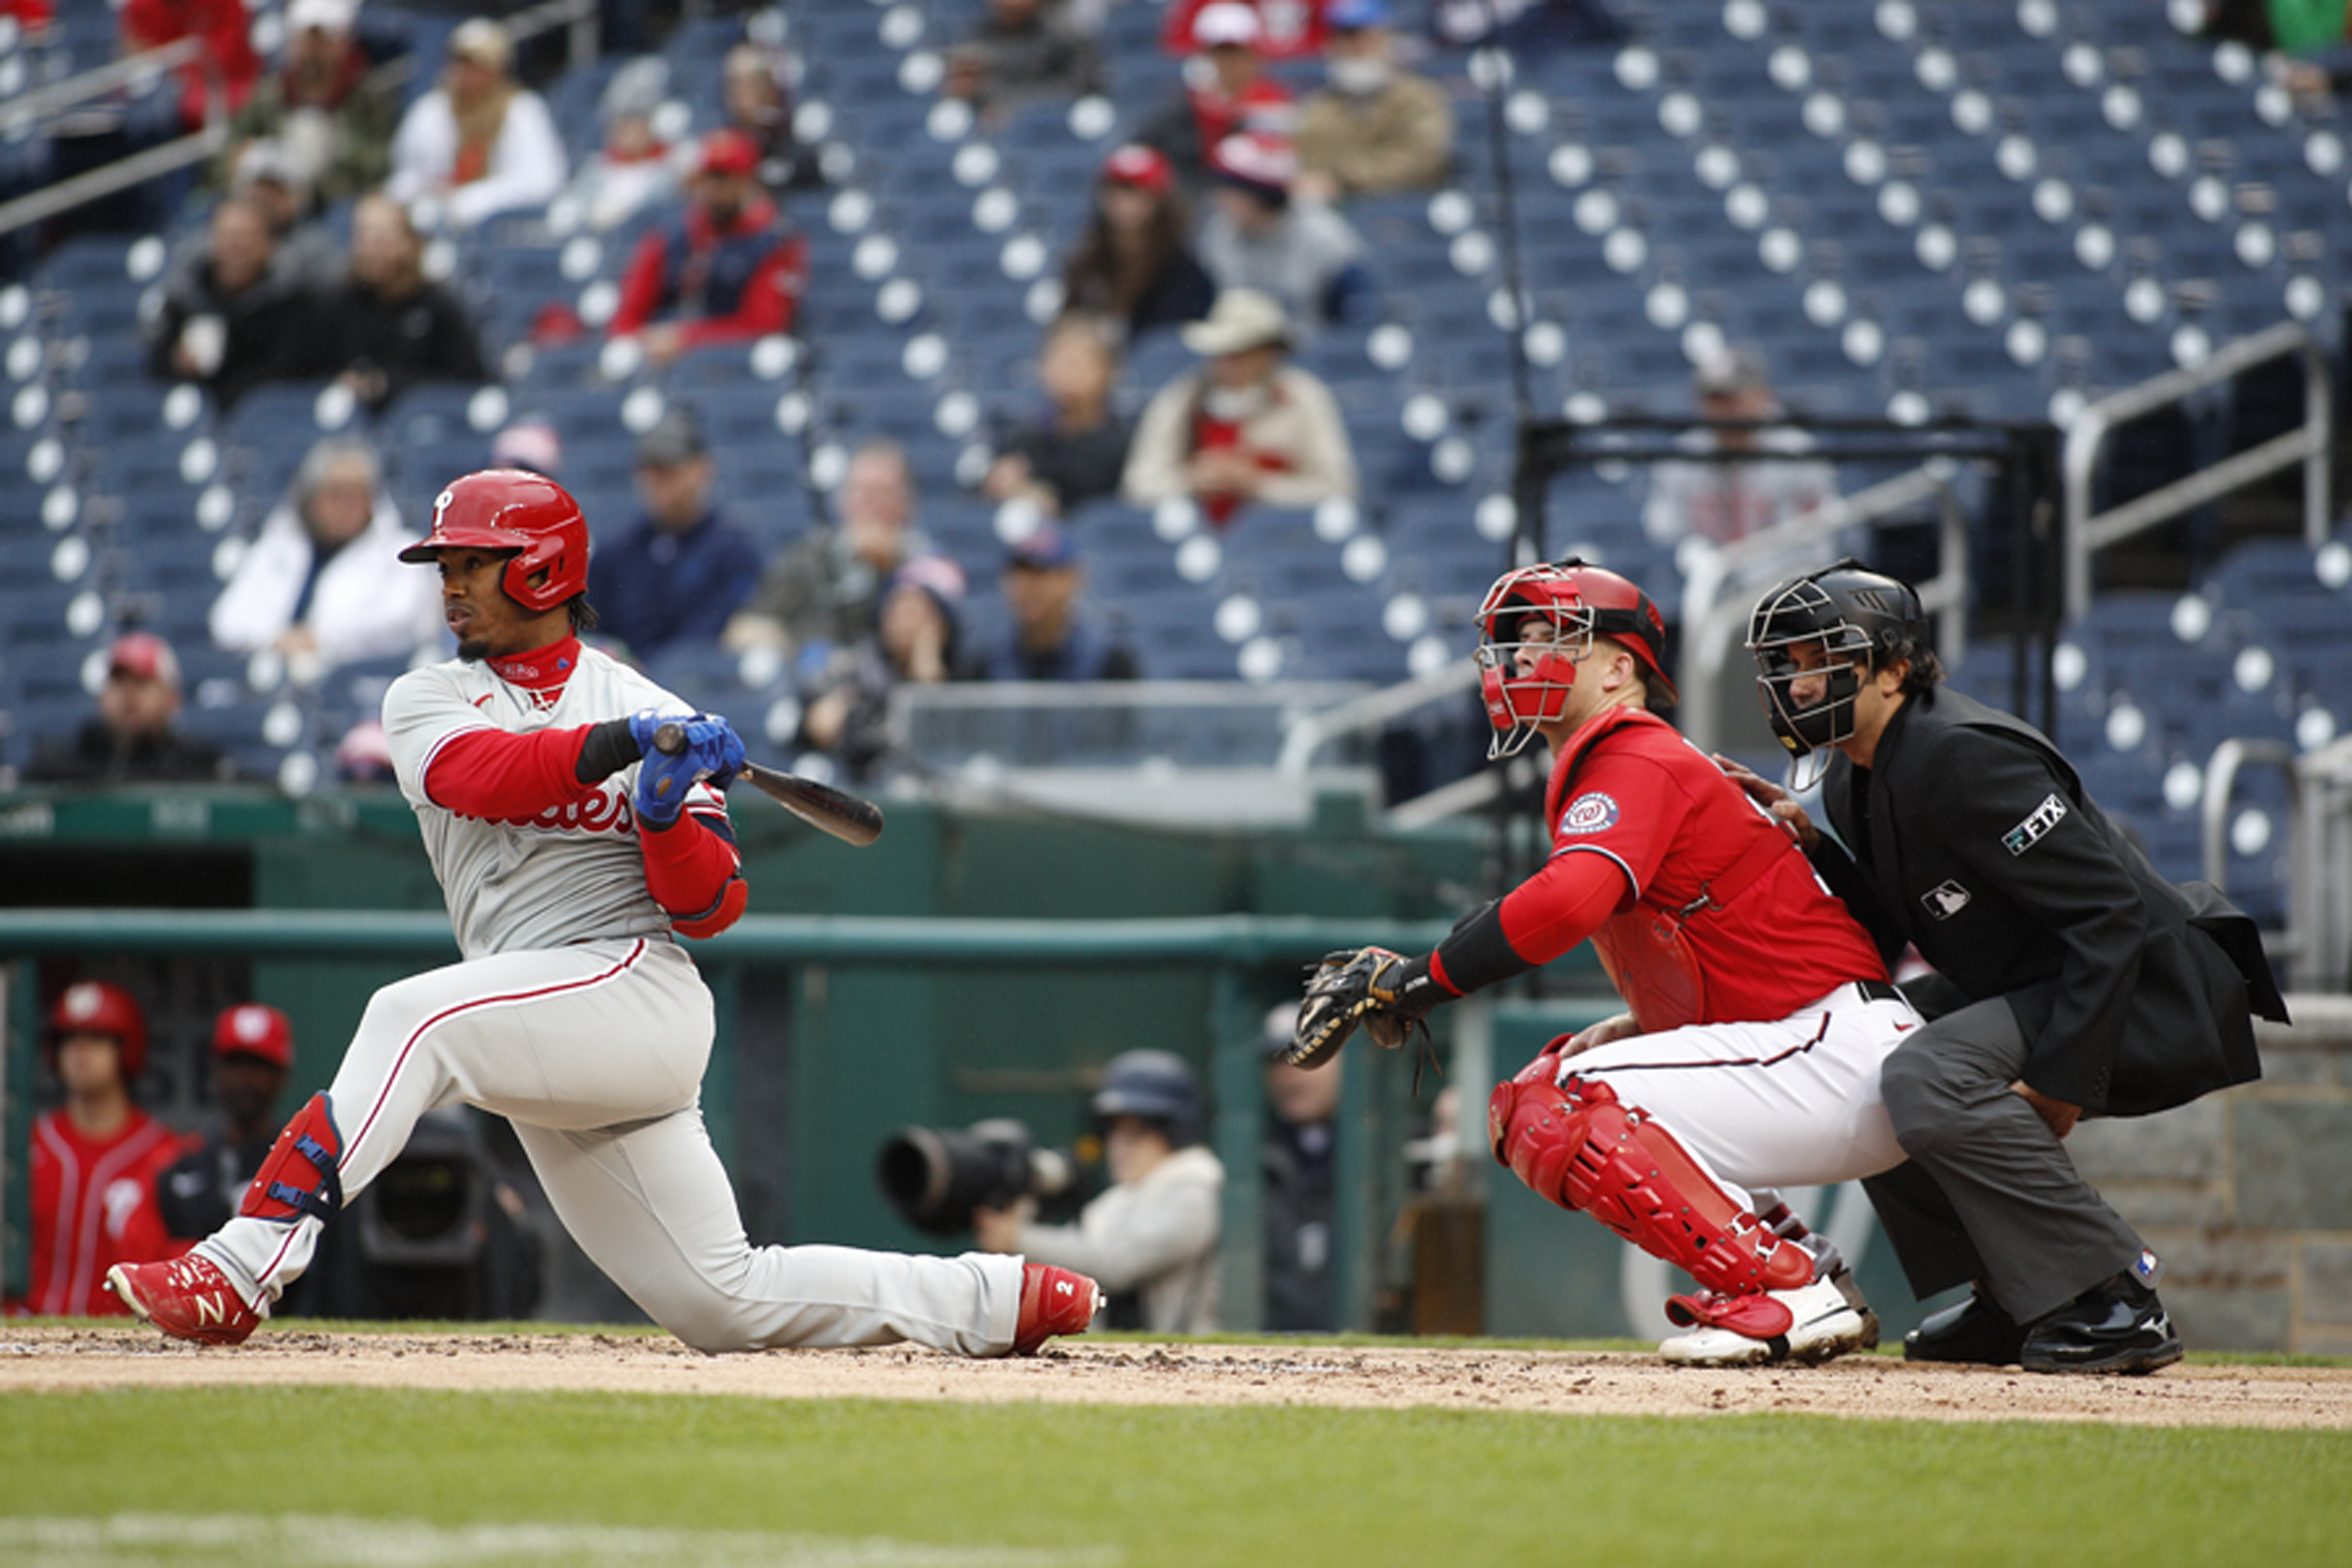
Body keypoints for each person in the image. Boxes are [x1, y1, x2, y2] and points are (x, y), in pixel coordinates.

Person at [105, 467, 1102, 1357]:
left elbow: (710, 909)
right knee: (723, 1300)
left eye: (473, 563)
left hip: (636, 990)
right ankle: (998, 1296)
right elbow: (487, 780)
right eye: (445, 563)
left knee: (411, 1016)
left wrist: (669, 813)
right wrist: (626, 745)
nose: (449, 582)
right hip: (544, 1017)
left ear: (539, 571)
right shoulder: (428, 698)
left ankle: (243, 1262)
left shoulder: (642, 697)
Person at [1290, 559, 1930, 1365]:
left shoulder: (1633, 750)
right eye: (1515, 642)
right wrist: (1638, 1021)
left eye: (1552, 634)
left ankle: (1786, 1284)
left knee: (1561, 1099)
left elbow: (1570, 899)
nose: (1524, 656)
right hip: (1822, 1040)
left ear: (1621, 666)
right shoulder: (1623, 757)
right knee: (1550, 1081)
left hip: (1839, 1045)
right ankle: (1813, 1276)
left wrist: (1424, 980)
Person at [1732, 560, 2289, 1374]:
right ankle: (2020, 1297)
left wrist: (2067, 1076)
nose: (1797, 680)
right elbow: (1896, 927)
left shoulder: (1959, 754)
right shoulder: (1858, 775)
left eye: (1819, 658)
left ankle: (2113, 1296)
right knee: (1859, 1054)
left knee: (1924, 1071)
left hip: (2151, 984)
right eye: (1786, 663)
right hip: (2047, 978)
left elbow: (2111, 914)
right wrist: (1814, 851)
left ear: (1894, 666)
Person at [974, 1050, 1224, 1334]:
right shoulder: (1121, 1198)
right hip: (1134, 1363)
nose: (1120, 1146)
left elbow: (1119, 1264)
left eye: (1137, 1132)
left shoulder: (1196, 1186)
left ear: (1175, 1131)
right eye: (1115, 1132)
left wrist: (1020, 1238)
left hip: (1194, 1363)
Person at [4, 982, 190, 1318]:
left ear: (127, 1048)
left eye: (97, 1038)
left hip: (120, 1337)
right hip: (24, 1329)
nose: (80, 1051)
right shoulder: (25, 1144)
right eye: (70, 1039)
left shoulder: (166, 1153)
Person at [209, 436, 439, 681]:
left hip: (360, 682)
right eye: (335, 493)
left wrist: (322, 639)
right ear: (311, 497)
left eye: (357, 494)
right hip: (269, 675)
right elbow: (227, 622)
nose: (345, 505)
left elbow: (405, 618)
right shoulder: (275, 550)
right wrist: (277, 639)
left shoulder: (399, 552)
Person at [1122, 288, 1356, 528]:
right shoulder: (1181, 400)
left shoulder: (1305, 400)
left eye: (1240, 353)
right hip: (1197, 534)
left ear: (1268, 352)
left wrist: (1260, 485)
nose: (1227, 365)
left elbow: (1338, 490)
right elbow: (1139, 488)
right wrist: (1194, 480)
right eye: (1221, 354)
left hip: (1284, 536)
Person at [608, 129, 809, 370]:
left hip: (738, 370)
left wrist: (688, 338)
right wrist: (652, 340)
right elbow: (627, 318)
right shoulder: (670, 236)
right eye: (709, 177)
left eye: (724, 178)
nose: (714, 188)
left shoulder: (773, 242)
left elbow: (765, 325)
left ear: (747, 182)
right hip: (663, 364)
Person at [585, 407, 764, 660]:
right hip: (624, 686)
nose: (660, 484)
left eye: (671, 471)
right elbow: (590, 629)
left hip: (701, 687)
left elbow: (714, 633)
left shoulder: (733, 550)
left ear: (701, 469)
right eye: (651, 473)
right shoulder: (617, 552)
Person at [727, 439, 931, 656]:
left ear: (907, 503)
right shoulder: (810, 560)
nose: (874, 506)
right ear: (844, 501)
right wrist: (797, 647)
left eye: (885, 493)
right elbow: (743, 629)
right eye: (865, 493)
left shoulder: (926, 568)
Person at [308, 192, 489, 412]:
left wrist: (390, 384)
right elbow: (305, 376)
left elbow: (468, 383)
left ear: (411, 243)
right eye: (362, 237)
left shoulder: (439, 309)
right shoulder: (336, 306)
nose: (370, 249)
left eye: (381, 239)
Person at [383, 18, 568, 230]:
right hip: (431, 223)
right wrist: (424, 194)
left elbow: (544, 182)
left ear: (498, 68)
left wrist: (470, 199)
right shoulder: (430, 110)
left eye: (478, 65)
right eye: (460, 62)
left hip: (501, 227)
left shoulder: (523, 110)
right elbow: (405, 176)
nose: (467, 74)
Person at [795, 555, 966, 782]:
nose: (904, 624)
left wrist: (929, 680)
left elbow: (952, 744)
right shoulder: (856, 664)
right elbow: (815, 723)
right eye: (897, 611)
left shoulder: (964, 670)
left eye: (916, 613)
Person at [216, 0, 398, 208]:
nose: (315, 51)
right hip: (267, 202)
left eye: (324, 40)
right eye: (308, 39)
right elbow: (229, 150)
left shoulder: (369, 98)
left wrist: (311, 192)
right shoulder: (270, 93)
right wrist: (242, 162)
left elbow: (376, 164)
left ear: (344, 41)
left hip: (335, 205)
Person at [1195, 132, 1374, 335]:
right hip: (1236, 354)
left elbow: (1353, 320)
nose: (1219, 200)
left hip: (1307, 355)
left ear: (1259, 197)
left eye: (1229, 191)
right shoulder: (1217, 232)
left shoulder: (1325, 237)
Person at [144, 192, 311, 410]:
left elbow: (286, 377)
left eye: (246, 236)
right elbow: (156, 366)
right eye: (228, 236)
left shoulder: (292, 305)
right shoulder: (188, 296)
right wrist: (177, 362)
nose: (236, 247)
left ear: (270, 245)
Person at [1291, 0, 1456, 204]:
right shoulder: (1320, 105)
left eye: (1362, 38)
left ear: (1385, 38)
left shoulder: (1418, 98)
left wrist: (1341, 179)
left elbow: (1420, 161)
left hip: (1399, 213)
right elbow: (1302, 159)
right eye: (1342, 39)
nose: (1353, 48)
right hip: (1331, 213)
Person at [26, 632, 234, 784]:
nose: (128, 696)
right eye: (118, 683)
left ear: (172, 699)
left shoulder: (197, 766)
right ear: (102, 697)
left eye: (142, 683)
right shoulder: (70, 764)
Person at [1057, 144, 1216, 343]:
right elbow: (1069, 320)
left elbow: (1181, 339)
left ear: (1160, 201)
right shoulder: (1087, 261)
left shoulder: (1182, 272)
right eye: (1117, 191)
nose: (1125, 203)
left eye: (1138, 193)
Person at [1133, 2, 1295, 193]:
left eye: (1236, 54)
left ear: (1254, 56)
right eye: (1220, 55)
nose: (1228, 64)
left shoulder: (1275, 104)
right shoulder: (1183, 109)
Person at [983, 314, 1134, 518]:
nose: (1066, 373)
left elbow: (1090, 494)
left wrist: (1043, 498)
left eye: (1077, 364)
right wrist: (997, 483)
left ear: (1106, 371)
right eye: (1057, 361)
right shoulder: (1027, 437)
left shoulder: (1120, 442)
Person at [960, 523, 1137, 682]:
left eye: (1041, 574)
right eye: (1019, 575)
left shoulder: (1109, 661)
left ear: (1072, 578)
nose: (1028, 587)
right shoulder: (984, 662)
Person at [1260, 1002, 1339, 1332]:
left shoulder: (1391, 1146)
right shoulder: (1256, 1155)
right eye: (1278, 1062)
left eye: (1307, 1059)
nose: (1289, 1075)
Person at [558, 55, 678, 236]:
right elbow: (570, 213)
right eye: (624, 124)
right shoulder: (596, 169)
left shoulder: (671, 168)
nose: (630, 133)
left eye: (637, 123)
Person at [941, 0, 1103, 123]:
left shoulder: (1063, 37)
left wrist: (1010, 105)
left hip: (1050, 126)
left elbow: (1077, 87)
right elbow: (962, 85)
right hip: (990, 129)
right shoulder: (976, 36)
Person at [719, 41, 825, 198]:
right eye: (735, 86)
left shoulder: (796, 149)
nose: (740, 96)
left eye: (754, 85)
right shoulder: (719, 147)